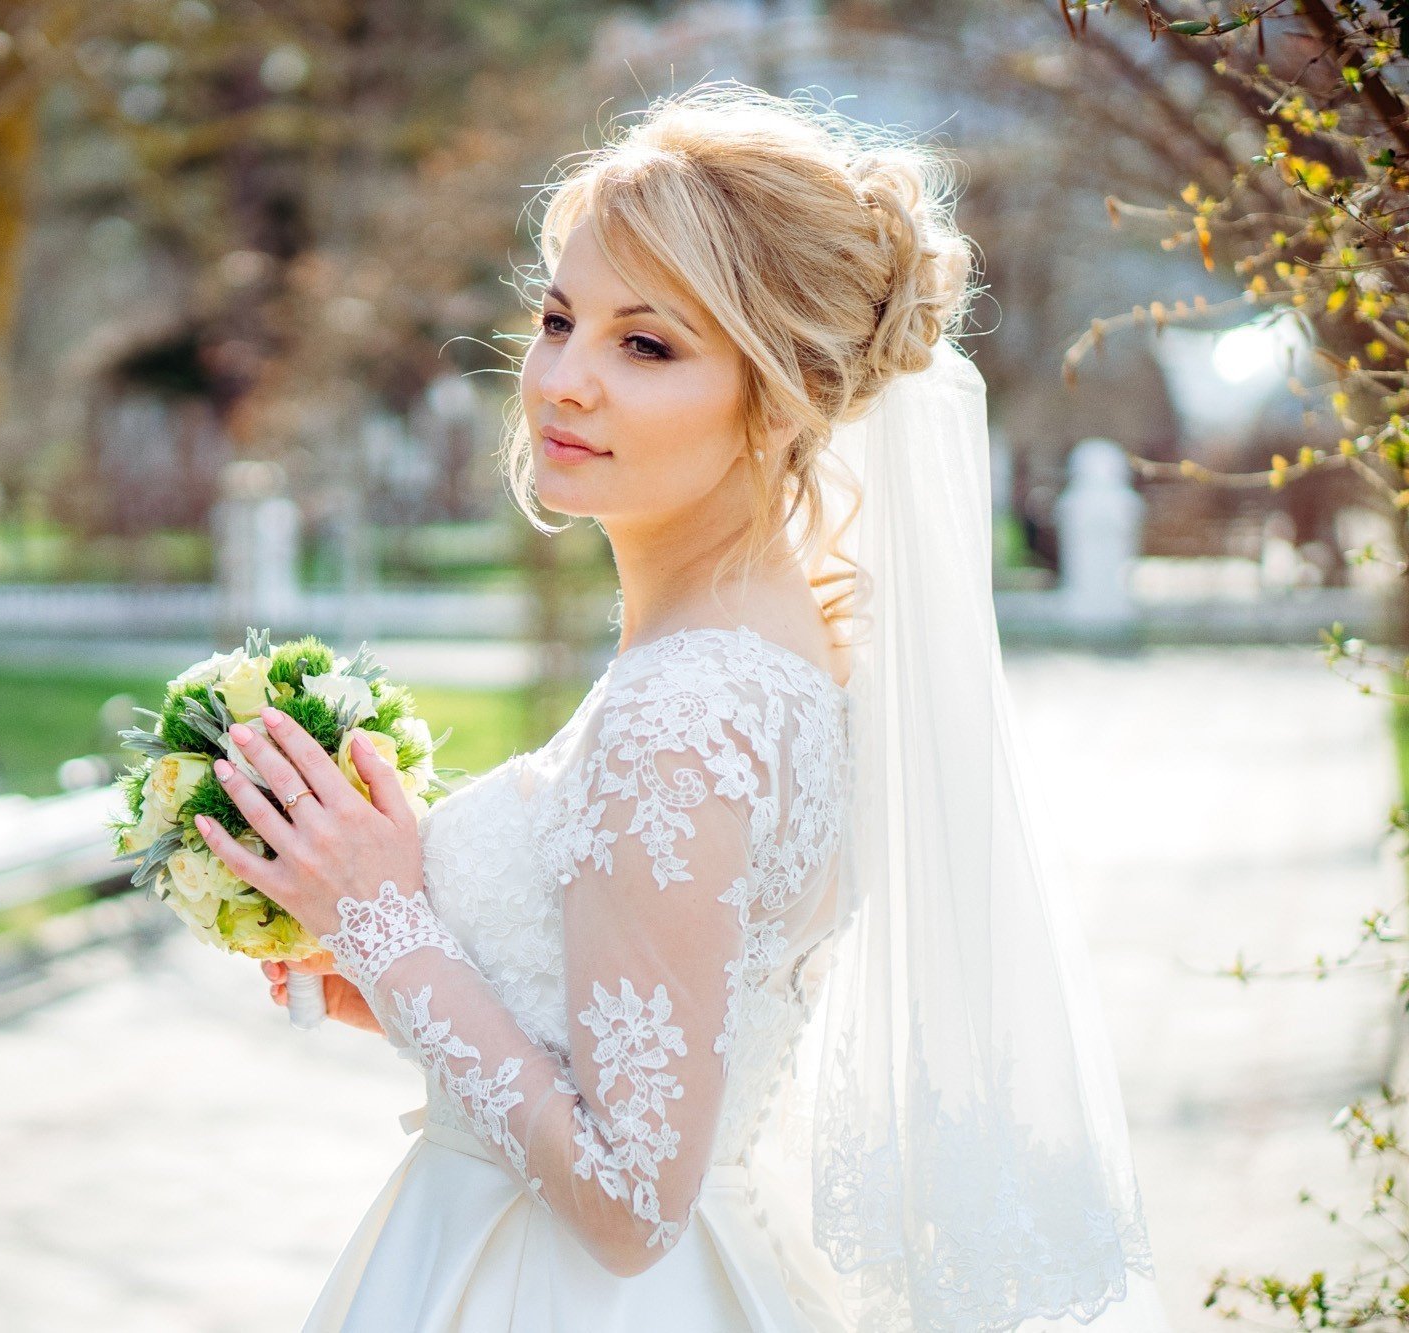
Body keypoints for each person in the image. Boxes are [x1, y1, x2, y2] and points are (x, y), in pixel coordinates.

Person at [191, 83, 1169, 1332]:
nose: (563, 379)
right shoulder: (754, 655)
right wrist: (383, 972)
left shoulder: (686, 711)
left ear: (782, 396)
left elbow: (628, 1201)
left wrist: (384, 917)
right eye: (559, 320)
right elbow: (627, 1034)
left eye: (644, 345)